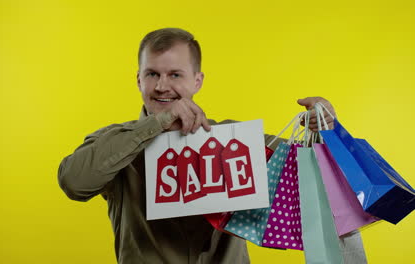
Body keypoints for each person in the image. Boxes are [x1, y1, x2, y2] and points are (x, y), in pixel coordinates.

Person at [58, 28, 361, 263]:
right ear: (138, 80)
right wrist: (156, 125)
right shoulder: (117, 143)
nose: (162, 86)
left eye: (175, 74)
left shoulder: (235, 140)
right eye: (152, 74)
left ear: (197, 81)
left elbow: (312, 173)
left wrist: (323, 131)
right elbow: (74, 182)